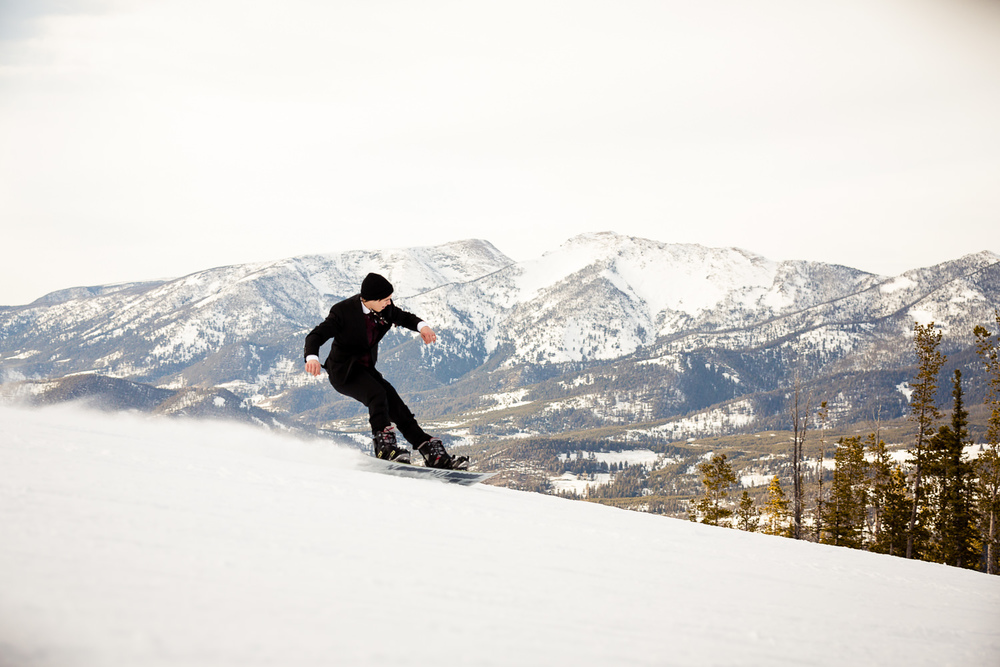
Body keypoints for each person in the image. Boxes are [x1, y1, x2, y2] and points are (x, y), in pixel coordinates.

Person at [304, 272, 468, 470]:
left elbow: (405, 317)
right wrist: (312, 357)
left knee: (397, 407)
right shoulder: (343, 312)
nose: (389, 303)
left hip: (365, 370)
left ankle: (430, 452)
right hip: (344, 373)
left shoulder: (386, 309)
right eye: (386, 299)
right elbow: (316, 335)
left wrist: (422, 327)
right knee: (377, 394)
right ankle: (384, 448)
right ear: (372, 299)